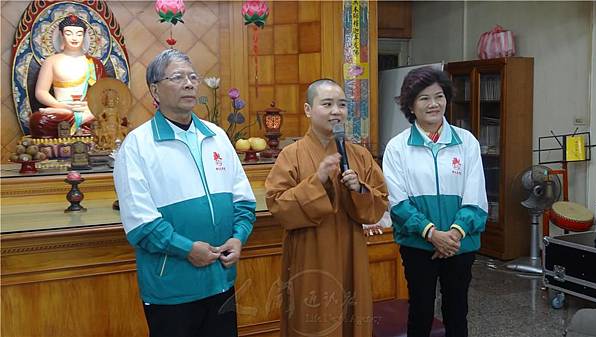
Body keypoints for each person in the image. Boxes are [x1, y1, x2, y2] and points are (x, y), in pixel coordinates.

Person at [113, 48, 256, 337]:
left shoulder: (216, 136)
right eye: (177, 77)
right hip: (171, 287)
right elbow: (141, 224)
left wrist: (238, 238)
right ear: (155, 89)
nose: (189, 83)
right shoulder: (138, 145)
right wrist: (187, 249)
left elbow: (243, 202)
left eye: (193, 77)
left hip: (221, 280)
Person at [265, 79, 388, 337]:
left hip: (351, 251)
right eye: (327, 104)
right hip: (310, 252)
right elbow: (277, 204)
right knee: (312, 320)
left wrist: (360, 189)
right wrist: (317, 181)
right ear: (309, 110)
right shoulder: (292, 154)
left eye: (342, 105)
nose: (336, 111)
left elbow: (379, 202)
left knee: (351, 317)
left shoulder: (359, 154)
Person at [382, 66, 488, 337]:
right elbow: (398, 203)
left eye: (438, 96)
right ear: (411, 105)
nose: (433, 104)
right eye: (424, 98)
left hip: (459, 245)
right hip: (418, 245)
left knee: (457, 312)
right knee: (420, 312)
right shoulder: (397, 147)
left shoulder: (467, 142)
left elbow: (476, 197)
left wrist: (453, 234)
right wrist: (432, 234)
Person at [30, 14, 105, 138]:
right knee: (39, 121)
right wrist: (62, 107)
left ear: (84, 36)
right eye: (69, 33)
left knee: (112, 118)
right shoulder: (51, 61)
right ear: (61, 35)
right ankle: (78, 122)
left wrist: (89, 107)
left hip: (88, 110)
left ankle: (81, 121)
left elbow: (103, 94)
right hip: (61, 110)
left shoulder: (94, 64)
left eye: (79, 34)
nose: (74, 38)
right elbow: (41, 92)